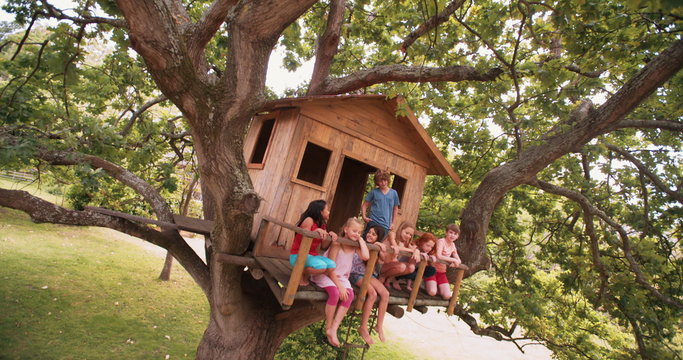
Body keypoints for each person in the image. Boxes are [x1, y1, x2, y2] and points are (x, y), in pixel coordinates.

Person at [311, 217, 367, 347]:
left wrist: (361, 240)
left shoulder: (355, 245)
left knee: (350, 295)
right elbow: (330, 269)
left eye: (359, 232)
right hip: (326, 274)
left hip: (341, 277)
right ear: (346, 229)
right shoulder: (337, 243)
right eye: (354, 231)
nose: (356, 234)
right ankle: (329, 326)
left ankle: (334, 328)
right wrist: (340, 286)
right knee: (336, 293)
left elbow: (365, 256)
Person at [349, 224, 390, 345]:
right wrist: (374, 245)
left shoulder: (375, 246)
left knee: (385, 294)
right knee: (372, 293)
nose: (370, 235)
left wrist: (380, 246)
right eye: (369, 232)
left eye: (374, 234)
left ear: (378, 237)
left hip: (369, 275)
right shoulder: (359, 242)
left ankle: (379, 326)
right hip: (356, 274)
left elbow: (384, 260)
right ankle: (363, 327)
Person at [290, 200, 338, 286]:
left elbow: (324, 245)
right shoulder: (309, 220)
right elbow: (304, 240)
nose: (329, 212)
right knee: (321, 266)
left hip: (312, 255)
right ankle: (298, 271)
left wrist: (330, 236)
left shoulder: (322, 225)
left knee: (332, 266)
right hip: (298, 254)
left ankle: (304, 273)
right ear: (320, 211)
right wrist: (315, 231)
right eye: (327, 209)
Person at [378, 221, 419, 291]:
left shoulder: (405, 242)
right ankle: (383, 276)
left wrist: (417, 251)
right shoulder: (392, 234)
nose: (408, 236)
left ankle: (388, 278)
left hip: (389, 265)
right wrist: (412, 250)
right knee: (401, 266)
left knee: (411, 268)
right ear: (401, 229)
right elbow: (395, 247)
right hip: (380, 265)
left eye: (410, 235)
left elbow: (414, 249)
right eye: (406, 233)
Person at [425, 224, 462, 299]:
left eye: (455, 234)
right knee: (432, 292)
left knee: (447, 296)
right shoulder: (441, 241)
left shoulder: (453, 245)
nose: (452, 235)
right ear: (446, 233)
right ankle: (429, 284)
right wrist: (453, 260)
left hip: (441, 272)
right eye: (451, 232)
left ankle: (438, 286)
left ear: (457, 236)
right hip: (432, 269)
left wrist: (455, 263)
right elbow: (439, 255)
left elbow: (459, 260)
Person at [361, 169, 400, 236]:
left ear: (388, 180)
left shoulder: (394, 193)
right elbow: (364, 205)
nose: (383, 183)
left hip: (385, 225)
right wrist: (364, 216)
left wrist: (393, 223)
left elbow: (395, 209)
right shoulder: (373, 192)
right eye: (380, 181)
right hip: (373, 222)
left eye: (385, 180)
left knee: (379, 245)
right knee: (365, 241)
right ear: (377, 182)